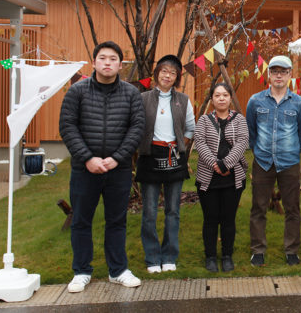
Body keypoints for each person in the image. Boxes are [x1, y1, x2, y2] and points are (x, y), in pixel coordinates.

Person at [59, 41, 145, 293]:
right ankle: (82, 271)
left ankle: (118, 270)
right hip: (84, 169)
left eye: (113, 59)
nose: (107, 63)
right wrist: (88, 158)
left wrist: (118, 158)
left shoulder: (131, 94)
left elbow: (137, 128)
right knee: (81, 221)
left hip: (117, 170)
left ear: (120, 64)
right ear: (94, 62)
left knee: (116, 221)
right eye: (103, 58)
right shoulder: (77, 92)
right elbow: (67, 126)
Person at [135, 55, 195, 274]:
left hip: (174, 156)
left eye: (172, 72)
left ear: (177, 77)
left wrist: (179, 145)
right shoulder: (142, 98)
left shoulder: (184, 100)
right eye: (164, 71)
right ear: (157, 73)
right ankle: (152, 257)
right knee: (149, 211)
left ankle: (169, 255)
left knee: (173, 210)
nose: (168, 76)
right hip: (150, 155)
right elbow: (135, 126)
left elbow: (190, 128)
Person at [246, 55, 301, 266]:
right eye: (274, 71)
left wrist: (292, 152)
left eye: (283, 72)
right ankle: (258, 250)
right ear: (269, 74)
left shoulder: (299, 103)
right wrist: (259, 151)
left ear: (290, 75)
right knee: (258, 208)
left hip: (289, 162)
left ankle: (291, 250)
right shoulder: (255, 101)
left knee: (292, 209)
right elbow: (251, 132)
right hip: (263, 161)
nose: (279, 75)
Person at [193, 82, 249, 273]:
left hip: (233, 178)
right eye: (217, 95)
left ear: (230, 98)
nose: (221, 98)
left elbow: (242, 142)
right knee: (210, 219)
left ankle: (227, 255)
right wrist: (216, 164)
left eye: (225, 95)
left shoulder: (239, 119)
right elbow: (199, 143)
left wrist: (227, 163)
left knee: (228, 219)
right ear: (212, 99)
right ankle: (210, 256)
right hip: (208, 178)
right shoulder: (204, 120)